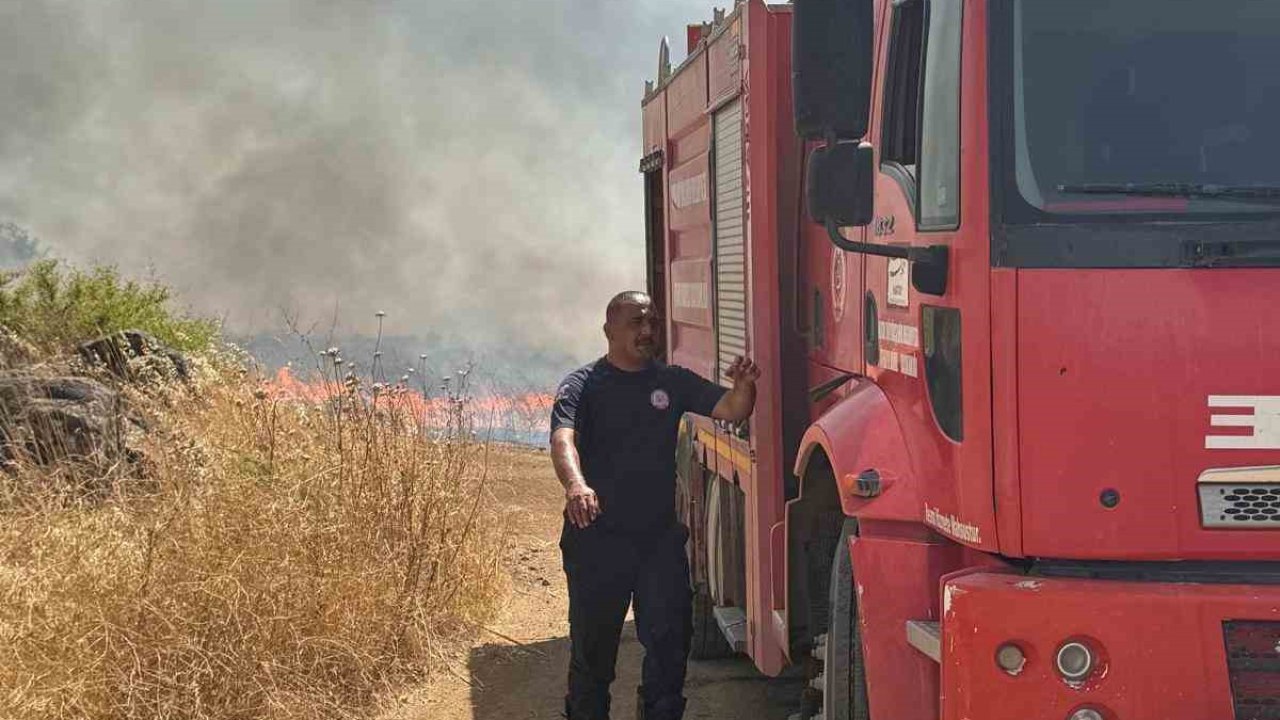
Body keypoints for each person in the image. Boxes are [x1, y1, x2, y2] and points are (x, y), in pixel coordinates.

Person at [549, 291, 759, 720]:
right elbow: (562, 439)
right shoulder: (582, 386)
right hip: (597, 542)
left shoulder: (672, 382)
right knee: (593, 655)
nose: (647, 331)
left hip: (657, 543)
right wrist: (576, 486)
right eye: (636, 323)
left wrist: (745, 386)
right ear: (609, 331)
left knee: (668, 646)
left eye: (653, 322)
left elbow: (732, 407)